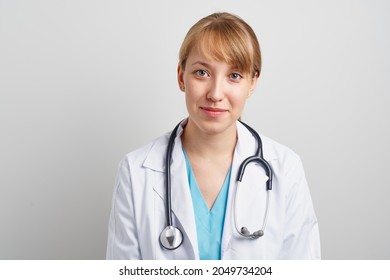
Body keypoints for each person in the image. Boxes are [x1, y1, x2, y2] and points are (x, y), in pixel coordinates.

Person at [106, 12, 320, 260]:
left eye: (235, 76)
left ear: (252, 83)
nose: (216, 93)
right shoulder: (135, 172)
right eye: (202, 73)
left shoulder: (286, 169)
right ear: (180, 76)